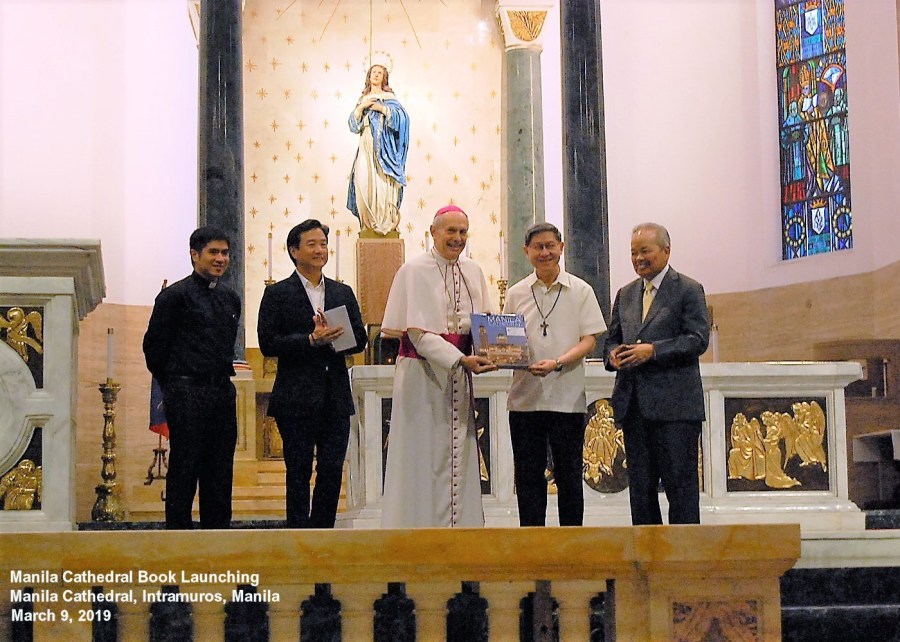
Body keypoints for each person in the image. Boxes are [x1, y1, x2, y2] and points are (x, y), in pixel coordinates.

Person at [380, 205, 496, 527]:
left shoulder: (473, 271)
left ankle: (460, 530)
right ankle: (416, 530)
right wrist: (459, 359)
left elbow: (484, 324)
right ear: (433, 232)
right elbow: (417, 334)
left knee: (459, 454)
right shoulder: (413, 270)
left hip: (459, 378)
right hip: (422, 378)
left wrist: (495, 351)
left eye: (463, 232)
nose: (457, 238)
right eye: (451, 231)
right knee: (421, 455)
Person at [257, 219, 367, 528]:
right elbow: (268, 342)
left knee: (331, 470)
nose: (320, 250)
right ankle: (297, 535)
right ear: (294, 251)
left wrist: (335, 339)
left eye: (323, 244)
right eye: (312, 244)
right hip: (295, 396)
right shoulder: (278, 294)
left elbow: (360, 339)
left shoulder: (342, 291)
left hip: (335, 396)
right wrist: (309, 340)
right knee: (298, 471)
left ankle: (323, 533)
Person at [603, 222, 709, 525]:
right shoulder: (625, 294)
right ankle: (646, 552)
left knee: (681, 489)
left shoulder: (688, 289)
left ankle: (682, 552)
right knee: (641, 491)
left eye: (645, 251)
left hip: (675, 410)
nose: (638, 258)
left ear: (666, 250)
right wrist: (613, 355)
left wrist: (653, 351)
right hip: (635, 408)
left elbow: (697, 339)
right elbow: (611, 340)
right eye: (633, 253)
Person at [503, 222, 606, 526]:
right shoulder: (516, 293)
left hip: (566, 399)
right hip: (525, 399)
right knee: (528, 476)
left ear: (561, 248)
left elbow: (589, 340)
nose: (545, 252)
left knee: (569, 476)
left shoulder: (581, 290)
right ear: (527, 251)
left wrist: (558, 362)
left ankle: (571, 542)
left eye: (550, 245)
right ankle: (532, 541)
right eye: (538, 247)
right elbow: (505, 340)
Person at [142, 225, 241, 529]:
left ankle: (218, 539)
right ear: (194, 255)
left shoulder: (230, 298)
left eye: (225, 253)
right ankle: (178, 540)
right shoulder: (174, 297)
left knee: (220, 471)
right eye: (213, 252)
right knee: (185, 468)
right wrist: (177, 385)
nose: (220, 258)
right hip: (186, 393)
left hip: (221, 393)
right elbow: (154, 350)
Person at [346, 64, 410, 236]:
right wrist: (361, 107)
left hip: (384, 149)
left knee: (382, 184)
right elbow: (353, 125)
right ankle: (367, 224)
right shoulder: (363, 99)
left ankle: (383, 222)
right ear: (368, 76)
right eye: (373, 72)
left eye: (379, 73)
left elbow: (403, 120)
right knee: (362, 181)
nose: (376, 75)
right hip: (366, 146)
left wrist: (381, 109)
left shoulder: (389, 98)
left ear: (384, 78)